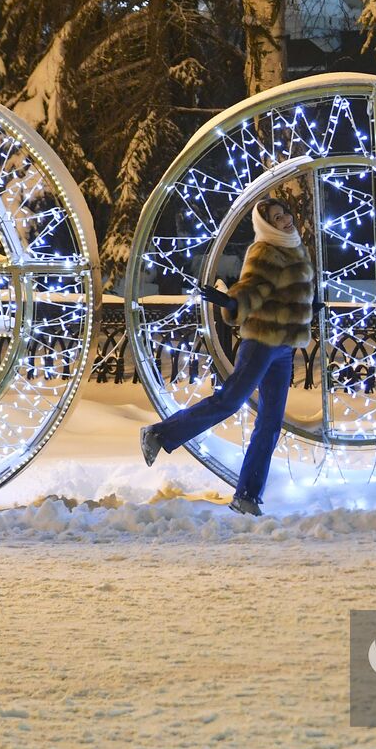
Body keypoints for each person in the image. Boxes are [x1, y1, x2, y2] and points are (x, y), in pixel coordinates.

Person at [140, 198, 316, 517]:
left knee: (271, 422)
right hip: (261, 341)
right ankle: (159, 433)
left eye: (285, 214)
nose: (286, 220)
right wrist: (231, 301)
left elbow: (288, 293)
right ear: (266, 225)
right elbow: (252, 290)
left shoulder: (295, 248)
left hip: (284, 348)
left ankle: (247, 495)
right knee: (230, 401)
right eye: (277, 218)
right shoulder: (264, 250)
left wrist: (305, 311)